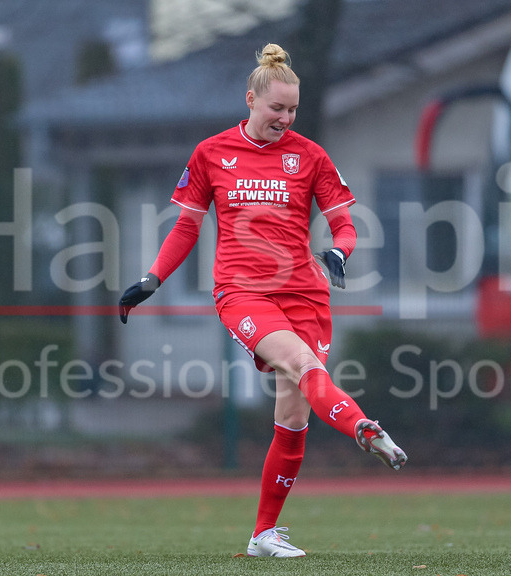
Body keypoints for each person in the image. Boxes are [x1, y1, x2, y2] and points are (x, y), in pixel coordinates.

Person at [118, 43, 407, 557]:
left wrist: (339, 253)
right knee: (299, 364)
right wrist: (152, 279)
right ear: (250, 99)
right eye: (276, 108)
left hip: (306, 295)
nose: (285, 118)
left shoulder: (310, 155)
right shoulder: (211, 153)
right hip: (243, 293)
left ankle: (263, 535)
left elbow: (343, 222)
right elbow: (186, 227)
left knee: (294, 415)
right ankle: (363, 426)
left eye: (292, 110)